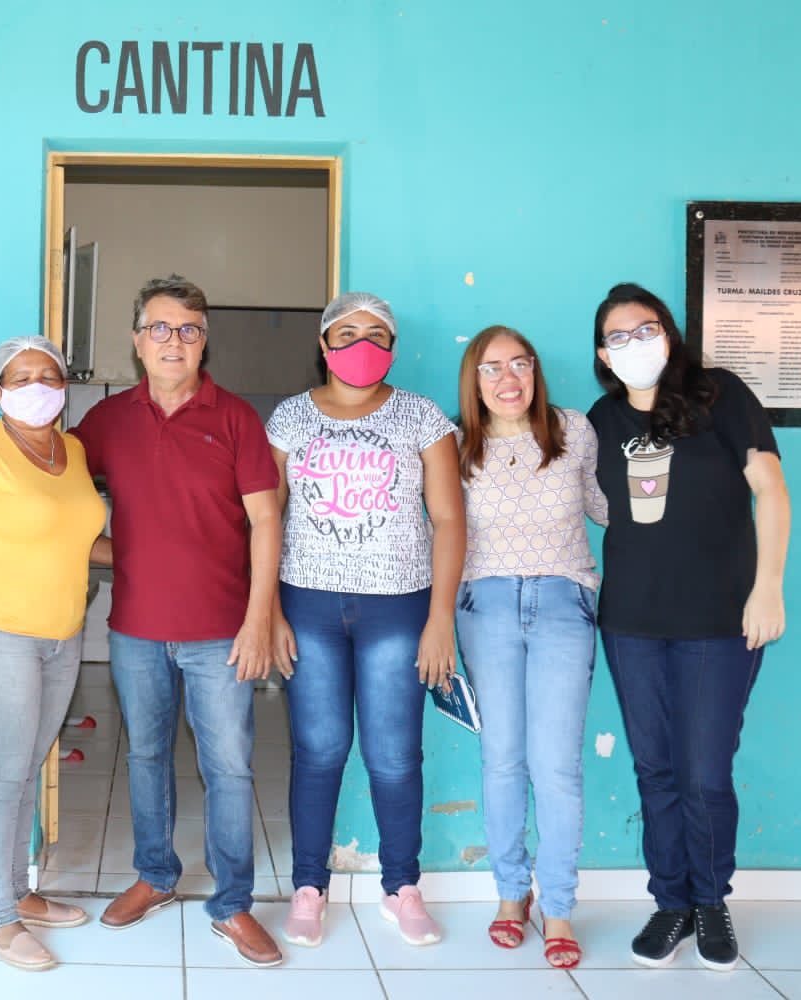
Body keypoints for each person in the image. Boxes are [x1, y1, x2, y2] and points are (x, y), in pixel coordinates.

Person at [79, 276, 285, 968]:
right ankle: (155, 876)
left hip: (221, 632)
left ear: (205, 341)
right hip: (135, 627)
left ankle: (232, 903)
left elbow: (265, 519)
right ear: (137, 340)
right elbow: (48, 487)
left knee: (228, 768)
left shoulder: (235, 419)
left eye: (188, 329)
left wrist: (260, 620)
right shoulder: (107, 423)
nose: (174, 341)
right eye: (159, 328)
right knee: (144, 757)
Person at [588, 282, 789, 972]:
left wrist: (769, 588)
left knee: (705, 773)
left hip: (719, 620)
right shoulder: (602, 419)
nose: (634, 343)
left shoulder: (720, 396)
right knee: (656, 769)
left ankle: (710, 901)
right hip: (633, 622)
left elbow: (771, 489)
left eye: (646, 328)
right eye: (618, 336)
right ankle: (669, 902)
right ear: (602, 355)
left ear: (669, 334)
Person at [268, 292, 464, 950]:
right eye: (346, 332)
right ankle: (307, 887)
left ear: (395, 347)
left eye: (376, 333)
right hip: (308, 605)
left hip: (400, 607)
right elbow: (266, 521)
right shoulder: (289, 419)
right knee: (319, 751)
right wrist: (267, 610)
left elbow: (448, 521)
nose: (361, 344)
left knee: (394, 756)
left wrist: (442, 620)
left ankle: (402, 887)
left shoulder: (423, 418)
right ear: (323, 346)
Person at [0, 336, 109, 972]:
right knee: (1, 773)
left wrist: (169, 552)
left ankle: (19, 894)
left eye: (49, 374)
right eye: (20, 376)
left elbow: (79, 540)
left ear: (64, 387)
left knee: (28, 766)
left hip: (63, 635)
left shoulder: (74, 449)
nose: (37, 385)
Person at [452, 325, 607, 969]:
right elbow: (436, 529)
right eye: (492, 368)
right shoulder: (457, 446)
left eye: (521, 364)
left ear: (537, 371)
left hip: (565, 606)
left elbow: (605, 506)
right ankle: (511, 894)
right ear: (474, 380)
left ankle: (560, 905)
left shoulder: (573, 430)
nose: (508, 379)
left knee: (557, 765)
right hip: (483, 607)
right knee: (503, 760)